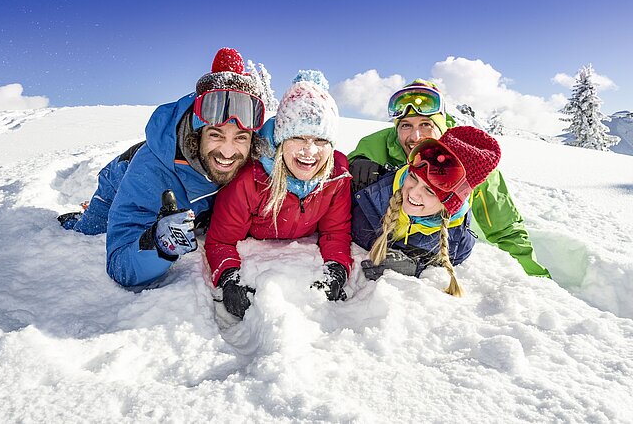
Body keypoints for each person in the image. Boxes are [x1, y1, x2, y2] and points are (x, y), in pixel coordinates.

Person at [60, 47, 266, 290]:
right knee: (91, 229)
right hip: (119, 179)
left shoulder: (251, 159)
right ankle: (79, 218)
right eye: (216, 135)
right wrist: (158, 244)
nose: (229, 152)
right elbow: (120, 265)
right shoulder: (150, 172)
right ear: (197, 135)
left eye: (240, 137)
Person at [348, 80, 551, 278]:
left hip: (441, 237)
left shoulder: (471, 164)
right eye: (406, 125)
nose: (415, 136)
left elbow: (505, 228)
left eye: (426, 124)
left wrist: (536, 279)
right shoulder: (377, 144)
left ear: (441, 125)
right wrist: (355, 163)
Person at [205, 70, 352, 319]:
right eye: (298, 138)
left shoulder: (336, 176)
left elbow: (335, 232)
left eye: (320, 140)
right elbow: (221, 241)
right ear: (281, 141)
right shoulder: (250, 179)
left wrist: (336, 269)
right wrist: (229, 277)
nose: (309, 150)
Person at [354, 126, 501, 296]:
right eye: (413, 177)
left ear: (449, 204)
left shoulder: (456, 241)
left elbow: (454, 257)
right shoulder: (371, 191)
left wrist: (414, 266)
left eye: (430, 191)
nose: (413, 193)